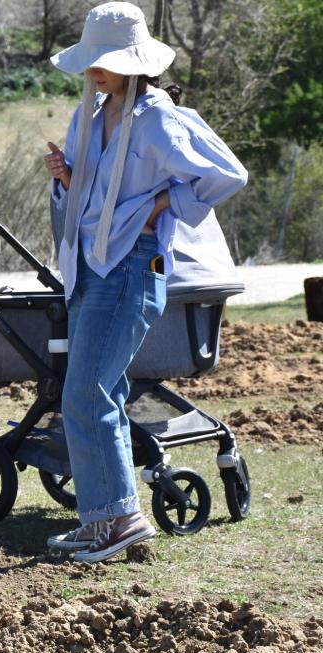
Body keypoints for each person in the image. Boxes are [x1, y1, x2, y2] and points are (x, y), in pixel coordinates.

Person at [42, 2, 247, 562]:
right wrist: (65, 177)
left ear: (135, 62)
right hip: (88, 264)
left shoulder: (158, 115)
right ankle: (101, 518)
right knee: (90, 391)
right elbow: (85, 194)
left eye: (106, 61)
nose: (94, 71)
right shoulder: (89, 115)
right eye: (91, 61)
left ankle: (119, 519)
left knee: (87, 392)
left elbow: (227, 175)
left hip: (133, 264)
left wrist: (165, 202)